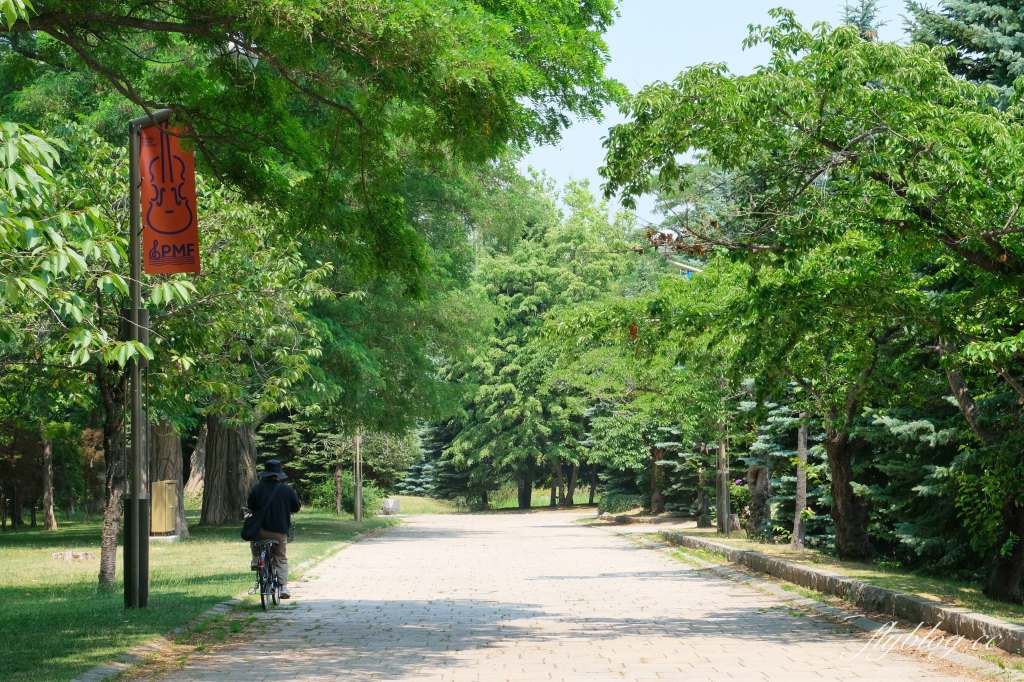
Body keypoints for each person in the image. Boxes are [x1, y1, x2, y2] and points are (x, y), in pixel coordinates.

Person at [247, 459, 301, 598]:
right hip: (280, 531)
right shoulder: (287, 489)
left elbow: (251, 508)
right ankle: (283, 587)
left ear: (266, 474)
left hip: (261, 530)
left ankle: (255, 559)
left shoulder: (257, 488)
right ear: (279, 474)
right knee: (281, 558)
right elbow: (296, 508)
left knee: (254, 538)